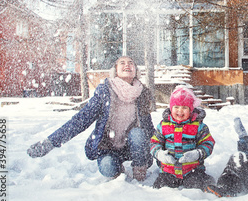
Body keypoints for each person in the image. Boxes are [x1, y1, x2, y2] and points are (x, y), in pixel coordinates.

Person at [27, 56, 155, 181]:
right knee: (107, 167)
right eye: (122, 62)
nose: (127, 65)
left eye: (130, 62)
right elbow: (81, 120)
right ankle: (117, 171)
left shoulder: (142, 93)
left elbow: (148, 128)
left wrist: (166, 152)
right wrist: (50, 142)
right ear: (115, 70)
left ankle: (139, 172)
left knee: (138, 133)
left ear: (136, 70)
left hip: (131, 147)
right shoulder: (105, 92)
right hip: (109, 147)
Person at [150, 86, 215, 190]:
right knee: (160, 188)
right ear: (171, 108)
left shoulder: (198, 126)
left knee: (196, 186)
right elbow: (154, 143)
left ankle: (206, 182)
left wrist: (198, 153)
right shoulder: (163, 126)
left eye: (184, 108)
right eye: (176, 107)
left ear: (191, 110)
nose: (180, 111)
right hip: (168, 171)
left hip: (192, 170)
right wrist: (159, 154)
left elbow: (208, 143)